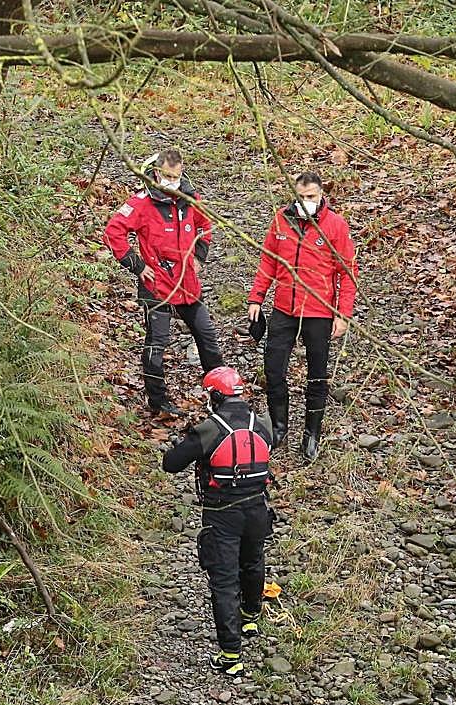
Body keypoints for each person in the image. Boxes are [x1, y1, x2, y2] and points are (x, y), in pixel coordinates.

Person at [162, 366, 274, 676]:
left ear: (215, 396)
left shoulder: (211, 428)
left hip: (222, 513)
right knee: (253, 561)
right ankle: (251, 617)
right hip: (258, 508)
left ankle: (231, 657)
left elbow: (170, 463)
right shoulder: (261, 422)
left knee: (224, 581)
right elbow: (270, 444)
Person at [104, 149, 224, 417]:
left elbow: (206, 226)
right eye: (168, 176)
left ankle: (221, 396)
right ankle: (158, 402)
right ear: (157, 173)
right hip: (156, 286)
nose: (173, 181)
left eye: (177, 176)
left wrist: (200, 257)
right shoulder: (141, 203)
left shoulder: (190, 199)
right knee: (156, 345)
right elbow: (113, 233)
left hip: (187, 285)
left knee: (208, 339)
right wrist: (137, 265)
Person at [248, 172, 358, 461]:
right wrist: (257, 297)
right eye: (301, 197)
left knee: (317, 376)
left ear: (321, 195)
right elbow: (268, 261)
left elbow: (347, 275)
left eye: (311, 197)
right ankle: (279, 427)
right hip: (284, 308)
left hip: (319, 311)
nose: (306, 201)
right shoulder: (280, 220)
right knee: (273, 370)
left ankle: (312, 433)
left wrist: (342, 314)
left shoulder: (335, 226)